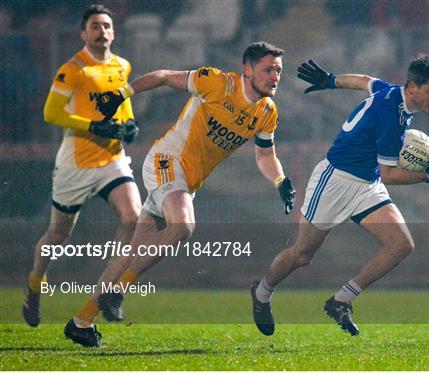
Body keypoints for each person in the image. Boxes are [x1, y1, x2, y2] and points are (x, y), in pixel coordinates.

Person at [63, 41, 296, 347]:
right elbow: (162, 76)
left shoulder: (267, 111)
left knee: (132, 253)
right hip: (166, 161)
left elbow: (265, 156)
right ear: (247, 69)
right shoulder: (216, 82)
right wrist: (122, 94)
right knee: (183, 226)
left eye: (278, 70)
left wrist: (280, 181)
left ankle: (81, 322)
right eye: (268, 69)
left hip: (187, 182)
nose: (274, 76)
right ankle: (118, 291)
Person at [251, 55, 429, 336]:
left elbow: (365, 81)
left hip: (367, 183)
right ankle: (261, 293)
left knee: (401, 245)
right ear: (413, 87)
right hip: (335, 181)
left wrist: (330, 80)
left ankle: (341, 300)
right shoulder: (390, 114)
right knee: (302, 255)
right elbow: (390, 175)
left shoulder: (394, 94)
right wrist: (427, 175)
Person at [21, 4, 141, 328]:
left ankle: (111, 290)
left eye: (106, 26)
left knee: (133, 217)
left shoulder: (121, 66)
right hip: (76, 165)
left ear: (113, 33)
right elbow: (52, 113)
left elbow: (123, 102)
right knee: (59, 234)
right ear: (83, 34)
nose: (102, 31)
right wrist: (92, 126)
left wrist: (129, 124)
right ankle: (35, 283)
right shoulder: (73, 69)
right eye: (95, 26)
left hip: (112, 160)